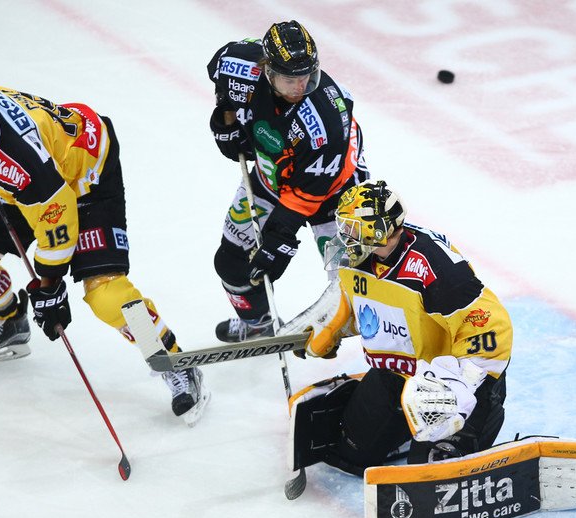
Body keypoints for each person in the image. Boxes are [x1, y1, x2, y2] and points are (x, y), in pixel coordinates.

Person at [0, 35, 209, 425]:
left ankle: (173, 360)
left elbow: (58, 219)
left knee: (106, 295)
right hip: (31, 186)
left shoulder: (19, 159)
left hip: (86, 178)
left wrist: (49, 286)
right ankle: (10, 323)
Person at [284, 180, 511, 475]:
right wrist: (332, 327)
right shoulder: (354, 256)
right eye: (344, 226)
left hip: (450, 377)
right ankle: (401, 420)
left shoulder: (434, 265)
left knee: (431, 469)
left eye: (352, 229)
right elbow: (362, 304)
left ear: (377, 231)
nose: (344, 236)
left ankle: (471, 419)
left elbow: (491, 329)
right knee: (352, 454)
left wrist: (458, 385)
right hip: (396, 371)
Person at [206, 20, 369, 343]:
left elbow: (309, 192)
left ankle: (381, 341)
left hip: (336, 191)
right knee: (231, 262)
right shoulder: (239, 64)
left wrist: (278, 240)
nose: (300, 86)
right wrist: (227, 118)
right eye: (291, 79)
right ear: (267, 70)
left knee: (355, 278)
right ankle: (259, 323)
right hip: (272, 176)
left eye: (306, 76)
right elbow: (220, 75)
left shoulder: (324, 120)